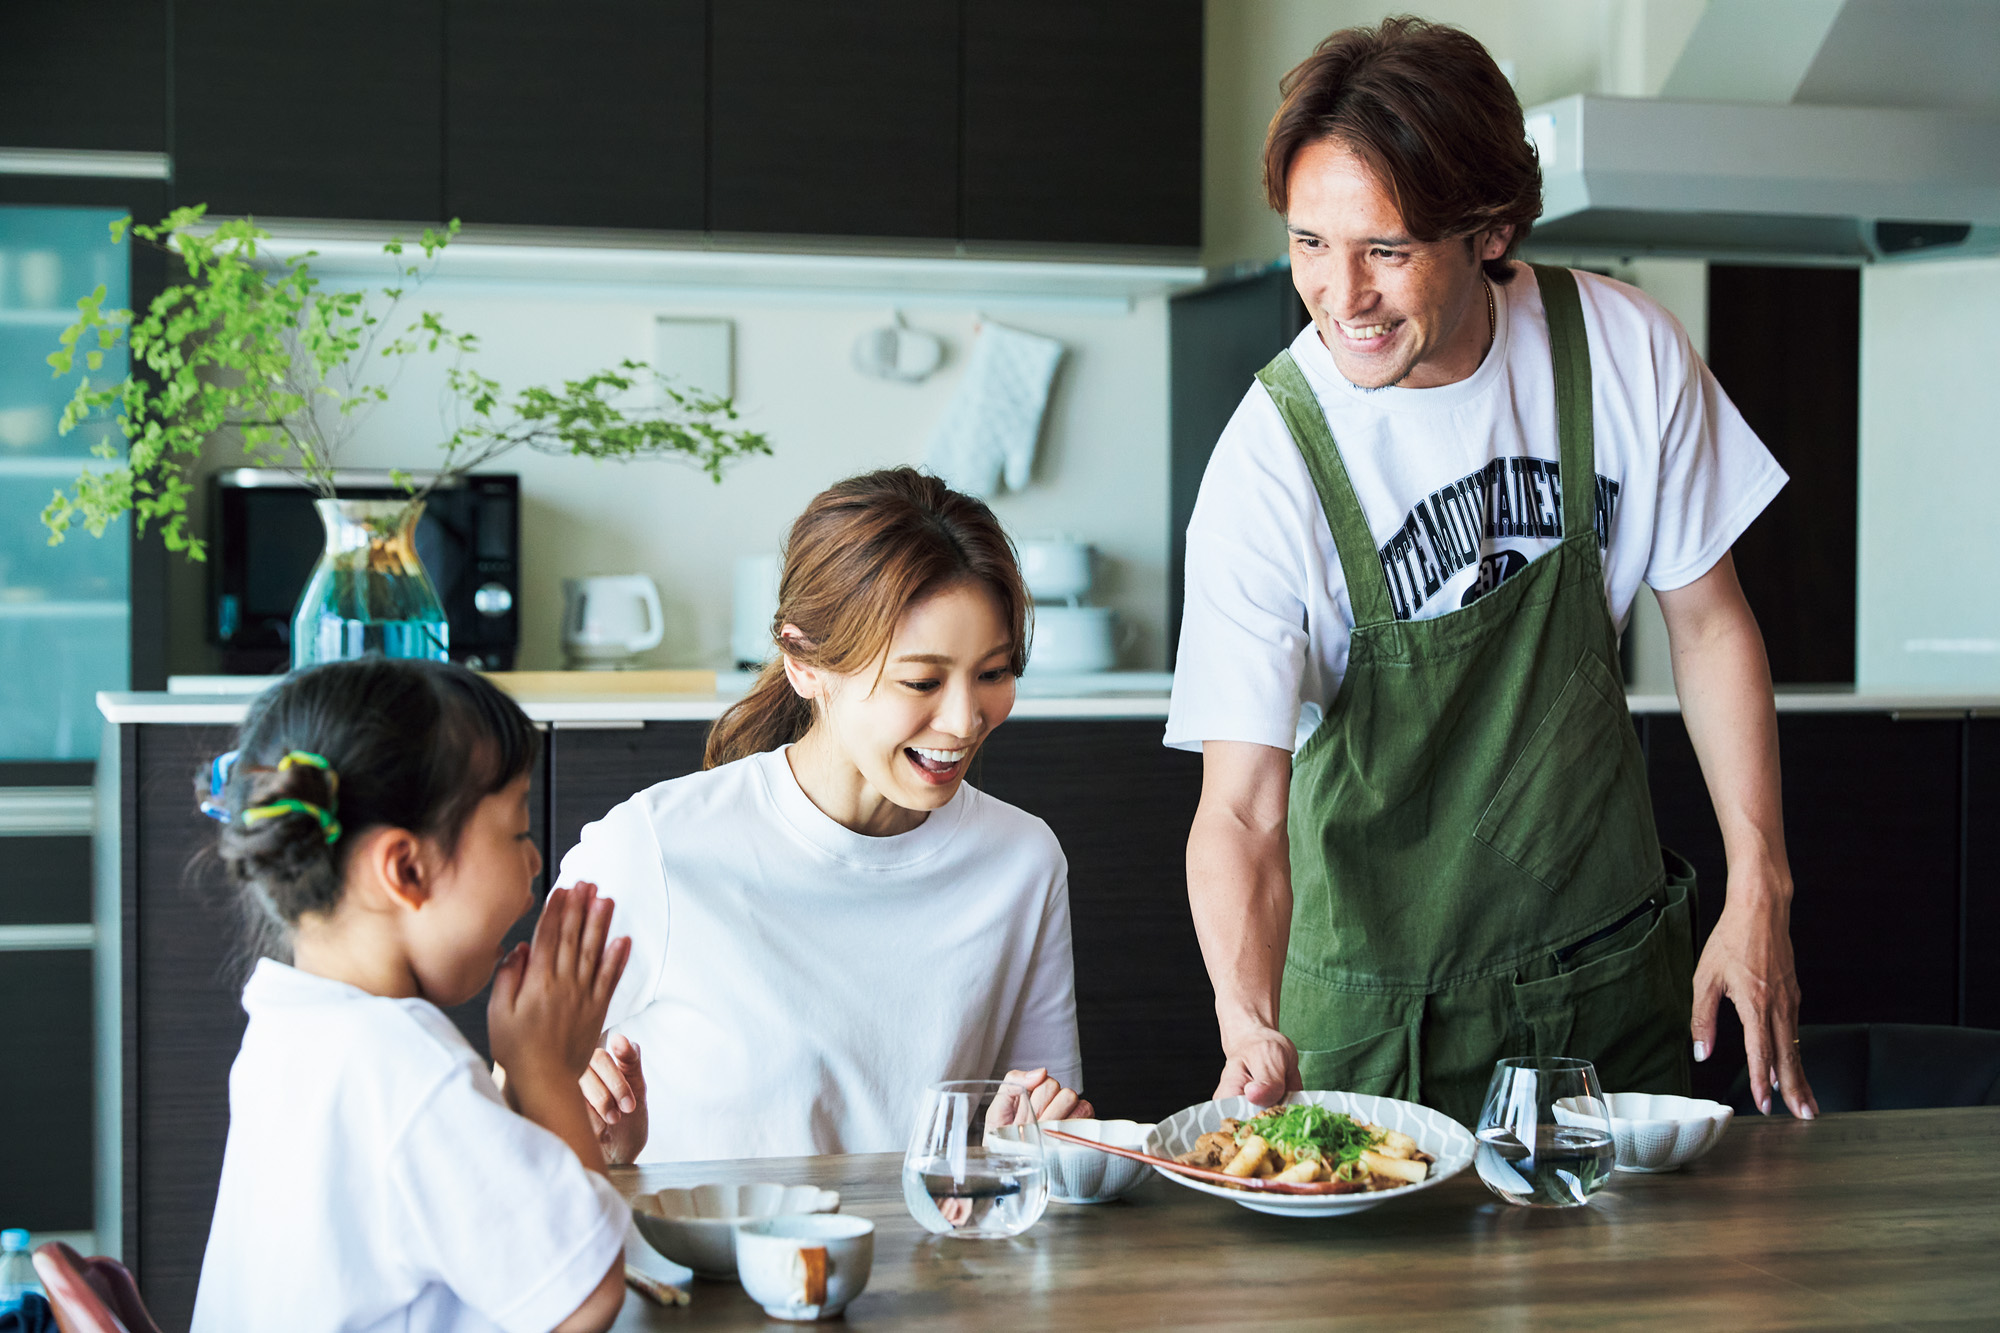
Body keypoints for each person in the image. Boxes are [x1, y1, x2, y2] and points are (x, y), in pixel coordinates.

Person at [1168, 17, 1819, 1129]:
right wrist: (1243, 1013)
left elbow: (1708, 628)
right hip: (1376, 1025)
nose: (1340, 297)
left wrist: (1759, 881)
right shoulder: (1270, 456)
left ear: (1489, 228)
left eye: (1385, 249)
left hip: (1602, 992)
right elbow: (1238, 809)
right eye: (1308, 244)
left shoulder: (1618, 348)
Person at [558, 467, 1089, 1164]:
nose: (965, 719)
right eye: (922, 680)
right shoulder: (654, 848)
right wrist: (583, 1117)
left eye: (993, 672)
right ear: (805, 663)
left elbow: (1047, 1145)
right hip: (707, 1268)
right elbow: (519, 1101)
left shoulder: (1022, 860)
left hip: (938, 1269)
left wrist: (1040, 1136)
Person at [191, 659, 631, 1333]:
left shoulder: (291, 1026)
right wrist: (544, 1066)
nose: (537, 858)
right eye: (517, 829)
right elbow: (587, 1292)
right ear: (406, 868)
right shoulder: (404, 1063)